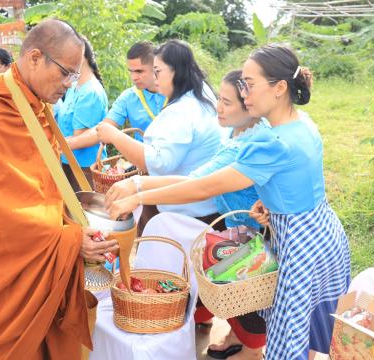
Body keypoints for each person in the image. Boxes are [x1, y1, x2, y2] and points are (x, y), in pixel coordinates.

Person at [107, 44, 351, 360]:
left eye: (250, 85)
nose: (245, 94)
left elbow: (203, 186)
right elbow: (299, 180)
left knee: (289, 335)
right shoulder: (300, 123)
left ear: (279, 88)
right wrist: (273, 204)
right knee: (304, 327)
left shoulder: (272, 142)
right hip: (322, 233)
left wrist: (139, 195)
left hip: (300, 244)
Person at [0, 19, 118, 360]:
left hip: (37, 246)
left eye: (74, 75)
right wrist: (67, 240)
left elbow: (41, 187)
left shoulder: (34, 105)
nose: (69, 84)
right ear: (35, 57)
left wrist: (70, 225)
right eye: (66, 73)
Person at [106, 69, 267, 359]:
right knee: (201, 268)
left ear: (251, 106)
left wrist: (139, 189)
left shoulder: (245, 145)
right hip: (234, 225)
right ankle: (222, 330)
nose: (218, 107)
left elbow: (197, 185)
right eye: (219, 98)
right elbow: (196, 179)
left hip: (253, 235)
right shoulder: (234, 132)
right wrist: (136, 185)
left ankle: (252, 349)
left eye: (228, 103)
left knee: (239, 287)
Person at [97, 39, 224, 234]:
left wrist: (115, 136)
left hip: (188, 213)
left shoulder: (182, 110)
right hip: (205, 206)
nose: (155, 79)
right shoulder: (201, 94)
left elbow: (157, 162)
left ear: (177, 71)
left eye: (158, 71)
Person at [56, 37, 108, 191]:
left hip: (84, 169)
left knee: (81, 213)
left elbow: (80, 138)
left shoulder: (90, 92)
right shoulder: (74, 87)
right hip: (69, 163)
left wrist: (52, 145)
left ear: (81, 55)